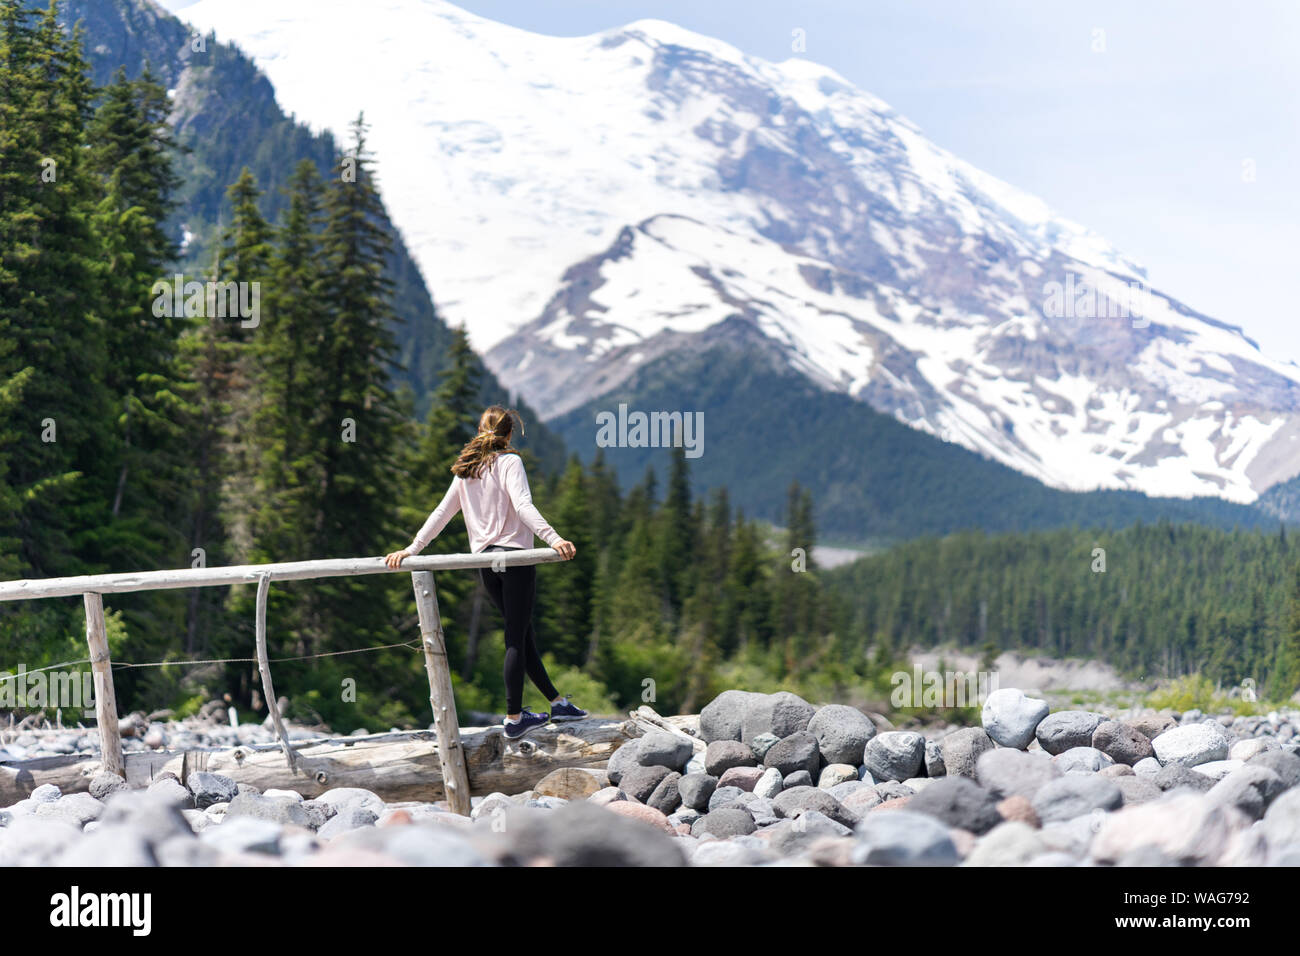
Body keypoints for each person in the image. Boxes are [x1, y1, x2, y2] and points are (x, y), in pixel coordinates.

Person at [385, 406, 587, 740]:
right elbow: (523, 506)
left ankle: (557, 703)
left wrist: (412, 549)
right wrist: (554, 538)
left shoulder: (467, 470)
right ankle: (514, 717)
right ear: (509, 434)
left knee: (521, 633)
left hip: (485, 562)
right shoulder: (510, 462)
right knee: (515, 636)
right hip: (515, 559)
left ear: (481, 430)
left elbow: (441, 513)